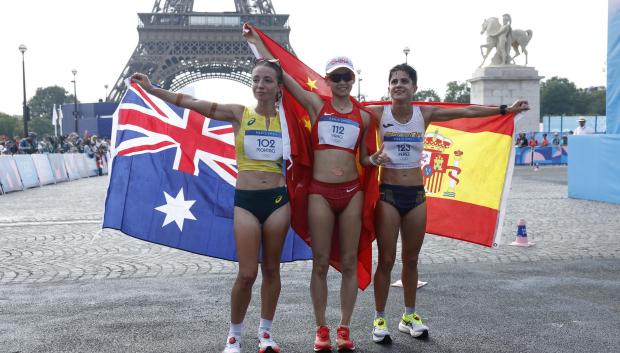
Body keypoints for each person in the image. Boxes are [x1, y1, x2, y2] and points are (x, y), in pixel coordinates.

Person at [363, 64, 529, 344]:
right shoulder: (378, 113)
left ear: (414, 87)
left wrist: (505, 110)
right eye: (394, 81)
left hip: (416, 195)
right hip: (388, 193)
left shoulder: (424, 114)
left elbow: (466, 111)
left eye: (404, 81)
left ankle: (408, 316)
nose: (398, 85)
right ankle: (379, 318)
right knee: (387, 260)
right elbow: (341, 110)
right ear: (388, 87)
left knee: (411, 260)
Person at [132, 60, 290, 353]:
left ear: (279, 87)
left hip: (278, 200)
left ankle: (266, 333)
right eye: (256, 80)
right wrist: (154, 90)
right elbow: (193, 102)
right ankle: (234, 335)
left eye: (267, 80)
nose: (260, 85)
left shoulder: (289, 122)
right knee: (246, 274)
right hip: (246, 201)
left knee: (271, 269)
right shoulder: (239, 113)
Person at [244, 26, 372, 352]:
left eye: (346, 77)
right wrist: (258, 44)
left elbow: (364, 158)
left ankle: (344, 327)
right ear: (328, 80)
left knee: (346, 261)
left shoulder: (365, 117)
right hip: (320, 192)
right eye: (336, 77)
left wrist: (376, 157)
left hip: (352, 192)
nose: (341, 82)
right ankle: (321, 328)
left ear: (352, 79)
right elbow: (283, 78)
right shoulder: (317, 105)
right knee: (319, 262)